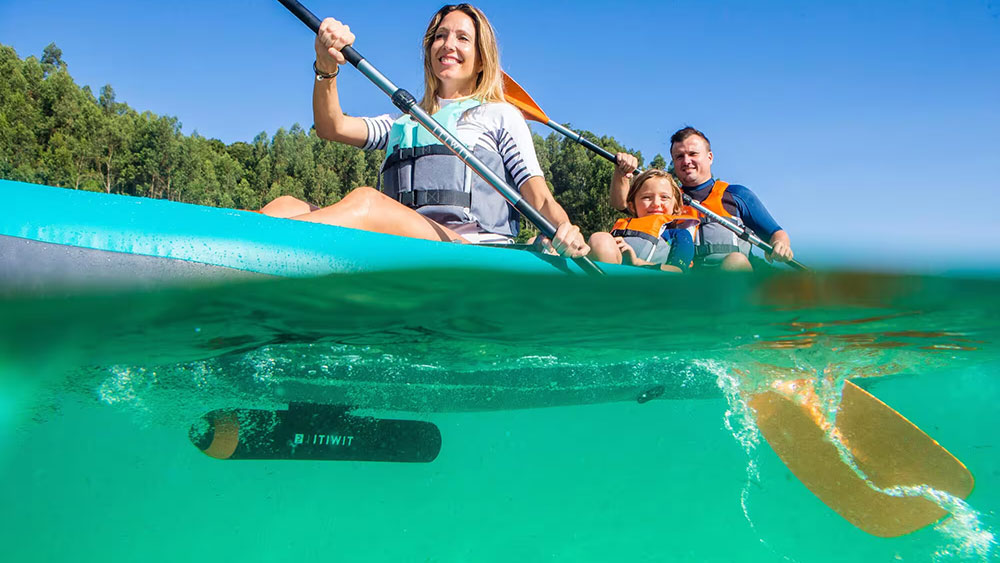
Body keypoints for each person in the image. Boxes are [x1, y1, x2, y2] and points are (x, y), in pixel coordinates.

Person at [260, 4, 589, 258]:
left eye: (462, 38)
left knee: (367, 201)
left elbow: (539, 197)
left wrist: (564, 228)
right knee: (284, 205)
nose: (448, 45)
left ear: (481, 60)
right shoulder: (403, 122)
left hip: (474, 252)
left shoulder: (500, 115)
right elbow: (331, 127)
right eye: (440, 36)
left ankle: (259, 246)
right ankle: (245, 255)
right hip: (406, 245)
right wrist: (326, 65)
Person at [610, 127, 794, 271]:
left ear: (710, 157)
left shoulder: (737, 195)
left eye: (693, 154)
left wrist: (781, 245)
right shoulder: (667, 200)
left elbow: (776, 234)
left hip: (731, 278)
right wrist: (622, 173)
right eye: (679, 156)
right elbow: (623, 204)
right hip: (686, 284)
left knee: (735, 261)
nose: (686, 161)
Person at [589, 157, 696, 273]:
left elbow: (678, 270)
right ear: (632, 206)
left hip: (653, 281)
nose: (656, 204)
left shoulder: (679, 235)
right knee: (600, 238)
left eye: (664, 197)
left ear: (675, 207)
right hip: (613, 273)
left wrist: (636, 262)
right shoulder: (623, 228)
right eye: (647, 197)